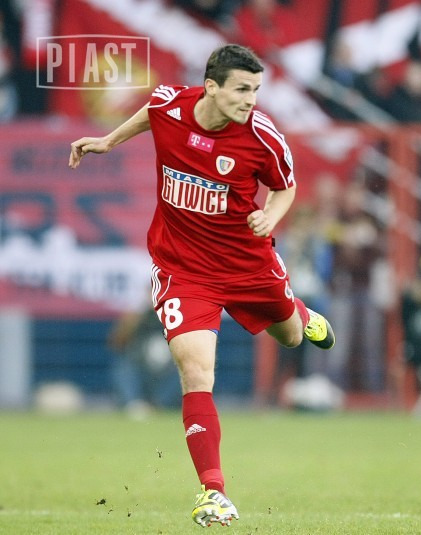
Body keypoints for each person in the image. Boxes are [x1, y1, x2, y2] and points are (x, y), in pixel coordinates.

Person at [68, 44, 335, 528]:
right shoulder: (170, 104)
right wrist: (108, 141)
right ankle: (214, 491)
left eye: (256, 90)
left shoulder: (263, 137)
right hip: (183, 269)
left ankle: (299, 312)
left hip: (247, 265)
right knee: (195, 373)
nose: (250, 99)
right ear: (211, 87)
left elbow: (285, 187)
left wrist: (269, 217)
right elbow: (151, 113)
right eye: (241, 89)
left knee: (292, 336)